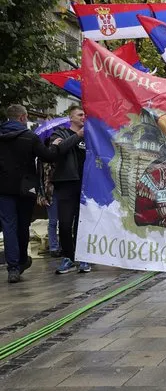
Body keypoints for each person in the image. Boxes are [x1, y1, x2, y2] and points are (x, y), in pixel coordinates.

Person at [0, 105, 80, 283]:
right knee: (22, 226)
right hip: (25, 188)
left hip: (3, 189)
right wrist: (56, 146)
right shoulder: (30, 137)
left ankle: (13, 267)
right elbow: (49, 156)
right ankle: (20, 261)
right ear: (22, 118)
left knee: (8, 226)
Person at [50, 106, 90, 274]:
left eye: (84, 115)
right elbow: (57, 150)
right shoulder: (60, 134)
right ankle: (68, 256)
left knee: (82, 223)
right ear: (71, 118)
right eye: (80, 115)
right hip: (67, 183)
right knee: (65, 223)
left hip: (86, 184)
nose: (83, 117)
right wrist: (77, 136)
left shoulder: (90, 135)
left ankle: (83, 258)